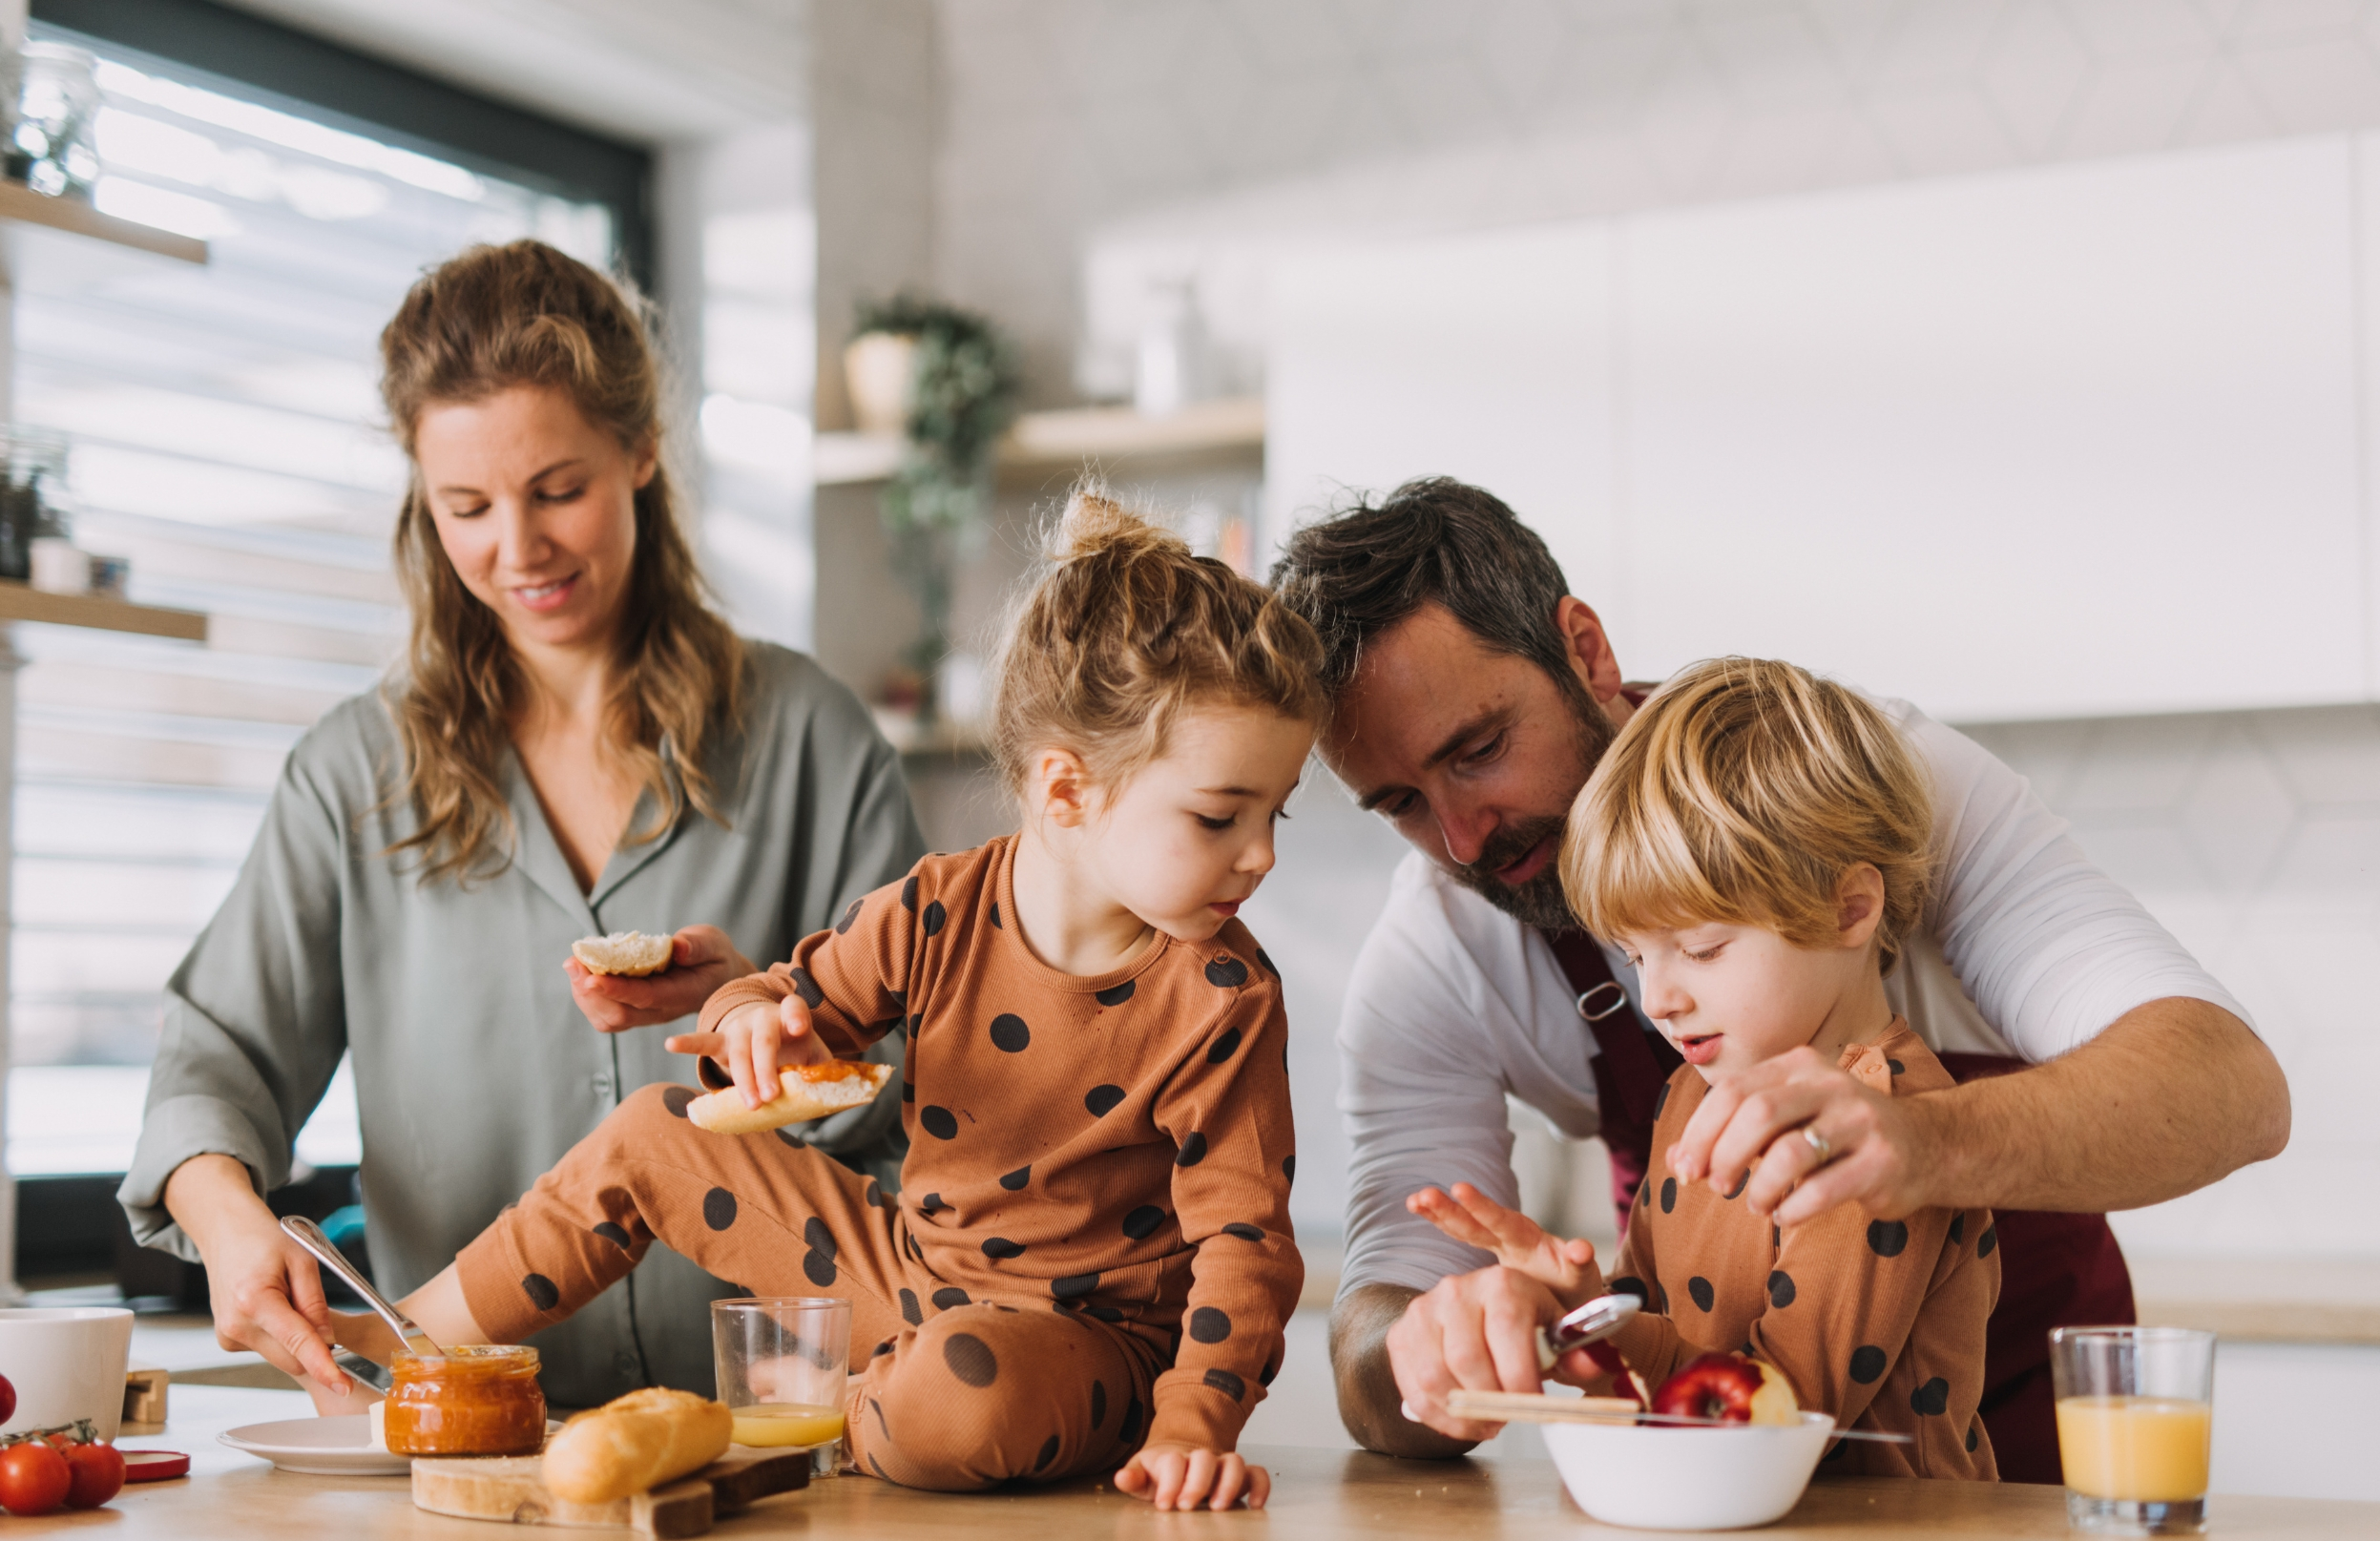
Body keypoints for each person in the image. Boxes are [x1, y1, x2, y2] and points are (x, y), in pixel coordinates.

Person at [1269, 478, 2289, 1479]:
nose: (1458, 838)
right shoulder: (1434, 949)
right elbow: (1377, 1321)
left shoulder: (1867, 788)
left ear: (1584, 651)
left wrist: (1918, 1142)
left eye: (1481, 749)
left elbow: (2233, 1089)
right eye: (1400, 802)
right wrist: (1447, 1348)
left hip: (2028, 1453)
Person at [335, 489, 1315, 1508]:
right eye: (1219, 817)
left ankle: (835, 1407)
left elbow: (1245, 1244)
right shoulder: (935, 907)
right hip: (902, 1270)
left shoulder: (1221, 994)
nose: (1262, 855)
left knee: (961, 1390)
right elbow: (776, 997)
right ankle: (400, 1342)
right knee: (644, 1133)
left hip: (1086, 1349)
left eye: (1273, 812)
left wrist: (1193, 1426)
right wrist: (748, 1024)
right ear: (1066, 790)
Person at [118, 240, 923, 1410]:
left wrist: (776, 1015)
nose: (519, 547)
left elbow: (935, 1089)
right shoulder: (354, 773)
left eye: (558, 490)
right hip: (464, 1441)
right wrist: (229, 1215)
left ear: (640, 450)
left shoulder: (814, 738)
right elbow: (215, 1058)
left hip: (788, 1435)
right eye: (466, 506)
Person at [1417, 657, 2001, 1478]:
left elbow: (1777, 1413)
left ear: (1850, 908)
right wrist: (1583, 1306)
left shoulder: (1881, 1130)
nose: (1659, 997)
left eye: (1702, 949)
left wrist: (1621, 1328)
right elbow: (1666, 1350)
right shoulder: (1691, 1092)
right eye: (1634, 955)